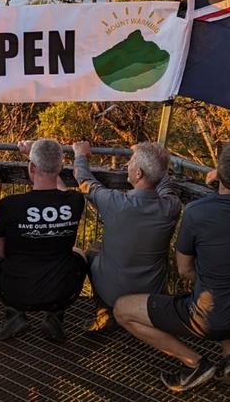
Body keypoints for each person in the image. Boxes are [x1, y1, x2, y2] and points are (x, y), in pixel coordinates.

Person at [113, 140, 230, 393]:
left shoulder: (198, 212)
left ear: (220, 172)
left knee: (122, 310)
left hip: (206, 319)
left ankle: (195, 364)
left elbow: (184, 269)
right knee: (229, 284)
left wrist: (220, 176)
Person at [70, 140, 181, 332]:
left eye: (131, 162)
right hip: (151, 291)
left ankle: (104, 310)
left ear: (138, 174)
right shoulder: (171, 207)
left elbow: (85, 182)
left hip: (113, 292)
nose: (127, 165)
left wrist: (80, 155)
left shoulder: (115, 203)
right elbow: (164, 184)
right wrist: (151, 158)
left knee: (92, 252)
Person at [0, 138, 87, 343]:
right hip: (60, 291)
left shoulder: (10, 204)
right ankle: (55, 316)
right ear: (60, 167)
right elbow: (59, 192)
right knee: (79, 255)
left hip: (15, 290)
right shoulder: (75, 201)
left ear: (32, 168)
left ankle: (13, 314)